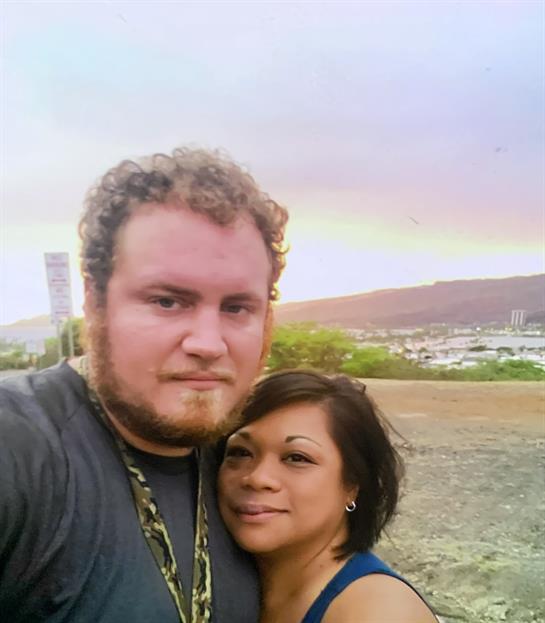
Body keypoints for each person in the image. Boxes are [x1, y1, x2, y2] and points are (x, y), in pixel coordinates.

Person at [0, 147, 288, 622]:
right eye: (168, 301)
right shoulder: (22, 447)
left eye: (236, 307)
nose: (207, 343)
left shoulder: (249, 460)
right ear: (95, 302)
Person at [218, 370, 438, 623]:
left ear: (353, 485)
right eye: (240, 452)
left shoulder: (376, 612)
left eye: (297, 458)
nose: (257, 478)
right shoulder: (230, 586)